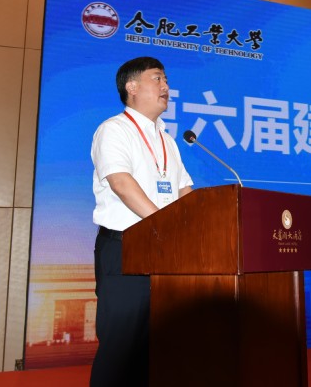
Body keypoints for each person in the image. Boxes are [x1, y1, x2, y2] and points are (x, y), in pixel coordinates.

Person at [90, 56, 194, 387]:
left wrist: (196, 227)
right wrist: (164, 224)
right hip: (126, 249)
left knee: (157, 349)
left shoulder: (168, 140)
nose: (166, 87)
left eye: (166, 80)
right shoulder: (114, 130)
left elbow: (185, 190)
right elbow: (121, 183)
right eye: (157, 78)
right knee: (120, 350)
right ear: (131, 87)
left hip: (165, 253)